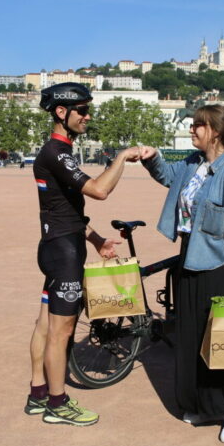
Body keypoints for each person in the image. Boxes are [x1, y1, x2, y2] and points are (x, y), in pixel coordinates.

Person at [136, 105, 224, 443]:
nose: (192, 131)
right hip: (189, 258)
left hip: (217, 266)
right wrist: (152, 157)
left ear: (215, 132)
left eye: (197, 126)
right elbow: (166, 176)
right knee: (190, 339)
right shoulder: (193, 164)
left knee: (218, 342)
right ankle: (202, 406)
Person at [26, 82, 141, 427]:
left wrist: (97, 240)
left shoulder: (59, 152)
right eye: (82, 110)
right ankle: (58, 404)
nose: (87, 116)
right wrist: (122, 157)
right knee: (62, 331)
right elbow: (99, 191)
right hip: (63, 253)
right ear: (61, 112)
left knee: (46, 324)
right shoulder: (56, 153)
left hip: (58, 245)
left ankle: (38, 394)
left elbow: (67, 213)